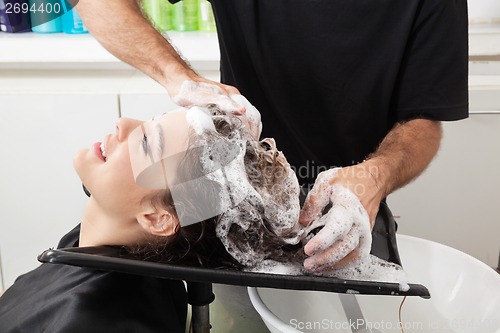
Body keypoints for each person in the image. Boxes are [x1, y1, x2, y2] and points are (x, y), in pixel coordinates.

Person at [75, 0, 469, 272]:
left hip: (351, 204)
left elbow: (425, 118)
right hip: (221, 214)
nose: (124, 125)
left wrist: (375, 176)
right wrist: (177, 76)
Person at [0, 100, 313, 332]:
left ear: (158, 219)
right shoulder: (91, 243)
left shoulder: (93, 321)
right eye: (149, 123)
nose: (122, 123)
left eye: (146, 143)